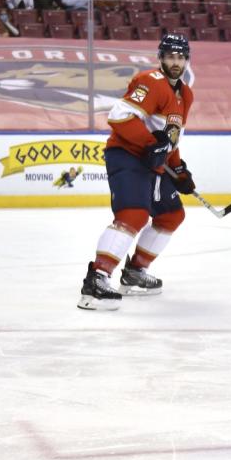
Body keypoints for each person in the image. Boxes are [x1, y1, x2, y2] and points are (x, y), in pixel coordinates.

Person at [77, 34, 196, 310]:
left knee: (170, 215)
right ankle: (96, 279)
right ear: (161, 58)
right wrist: (149, 145)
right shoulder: (150, 82)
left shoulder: (185, 94)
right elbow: (120, 117)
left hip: (151, 161)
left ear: (187, 60)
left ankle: (134, 273)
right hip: (128, 155)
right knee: (134, 214)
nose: (175, 62)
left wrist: (177, 168)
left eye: (180, 57)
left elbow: (169, 138)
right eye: (170, 56)